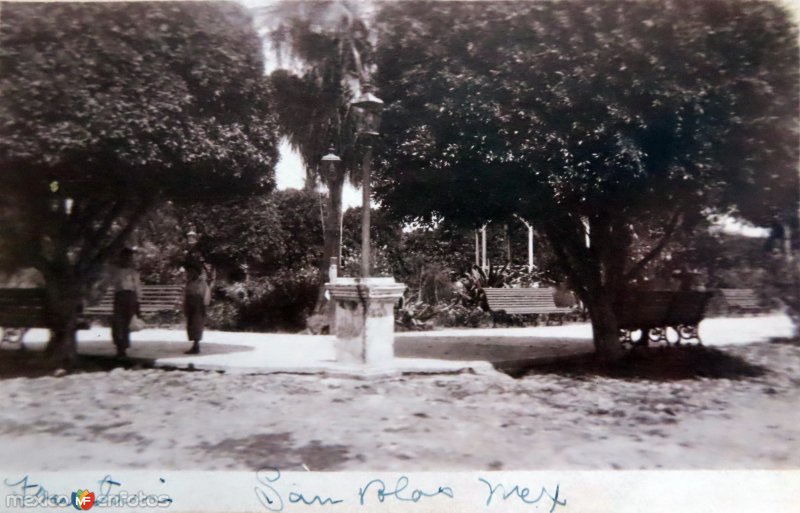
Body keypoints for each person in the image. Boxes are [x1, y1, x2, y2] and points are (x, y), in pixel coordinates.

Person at [110, 248, 142, 357]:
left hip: (130, 297)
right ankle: (119, 345)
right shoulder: (116, 271)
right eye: (124, 257)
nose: (127, 260)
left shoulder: (133, 272)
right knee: (118, 322)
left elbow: (137, 287)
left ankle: (123, 346)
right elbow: (114, 284)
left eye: (129, 258)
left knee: (127, 323)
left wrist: (138, 302)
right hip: (119, 296)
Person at [184, 263, 211, 354]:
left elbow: (206, 294)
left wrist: (204, 305)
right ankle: (194, 345)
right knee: (191, 325)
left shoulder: (201, 282)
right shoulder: (189, 282)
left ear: (196, 273)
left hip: (198, 306)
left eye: (192, 272)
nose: (190, 274)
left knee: (197, 325)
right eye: (189, 273)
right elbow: (185, 295)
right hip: (190, 305)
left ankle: (196, 345)